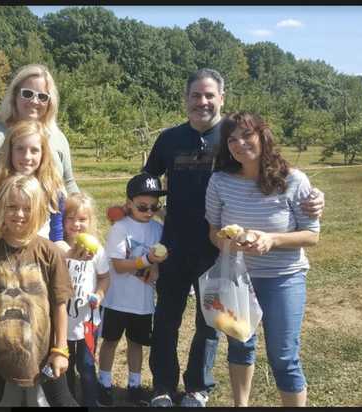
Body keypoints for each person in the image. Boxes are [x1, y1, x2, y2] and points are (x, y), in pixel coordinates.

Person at [141, 68, 325, 407]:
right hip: (175, 245)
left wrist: (314, 197)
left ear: (222, 98)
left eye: (210, 95)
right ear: (186, 99)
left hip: (219, 252)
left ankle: (198, 387)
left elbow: (273, 172)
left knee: (211, 323)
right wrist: (142, 212)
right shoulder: (169, 139)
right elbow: (146, 184)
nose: (202, 102)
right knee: (166, 318)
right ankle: (163, 387)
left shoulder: (230, 136)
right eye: (196, 95)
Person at [205, 112, 319, 407]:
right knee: (241, 345)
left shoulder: (293, 180)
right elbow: (213, 231)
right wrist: (226, 241)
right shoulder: (219, 181)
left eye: (247, 135)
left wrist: (272, 240)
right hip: (238, 278)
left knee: (284, 356)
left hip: (283, 278)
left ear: (262, 136)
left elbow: (311, 235)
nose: (239, 144)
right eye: (232, 139)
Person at [0, 174, 79, 406]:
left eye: (27, 208)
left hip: (43, 355)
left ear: (38, 210)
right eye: (12, 207)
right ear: (0, 209)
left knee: (62, 401)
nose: (19, 214)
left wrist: (60, 350)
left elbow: (60, 304)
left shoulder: (50, 253)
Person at [0, 64, 79, 241]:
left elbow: (68, 183)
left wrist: (80, 217)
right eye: (27, 94)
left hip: (47, 241)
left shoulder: (58, 139)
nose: (35, 101)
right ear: (14, 95)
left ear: (50, 102)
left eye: (43, 97)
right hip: (3, 239)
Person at [97, 173, 168, 407]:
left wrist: (154, 269)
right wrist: (146, 261)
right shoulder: (120, 228)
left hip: (143, 302)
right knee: (110, 341)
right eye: (142, 207)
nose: (148, 212)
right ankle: (104, 383)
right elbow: (118, 265)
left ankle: (134, 386)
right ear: (129, 204)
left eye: (153, 207)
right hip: (116, 300)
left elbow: (157, 263)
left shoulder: (157, 229)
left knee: (137, 343)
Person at [0, 120, 68, 252]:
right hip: (1, 263)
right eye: (20, 149)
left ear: (43, 153)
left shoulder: (53, 191)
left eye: (34, 150)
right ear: (10, 151)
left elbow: (57, 237)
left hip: (40, 262)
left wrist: (69, 253)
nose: (27, 156)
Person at [62, 193, 110, 407]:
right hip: (62, 321)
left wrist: (99, 294)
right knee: (65, 364)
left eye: (82, 219)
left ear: (90, 222)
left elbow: (104, 277)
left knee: (87, 364)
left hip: (88, 321)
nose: (76, 224)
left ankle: (91, 402)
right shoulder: (58, 248)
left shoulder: (96, 249)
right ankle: (68, 400)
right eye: (70, 218)